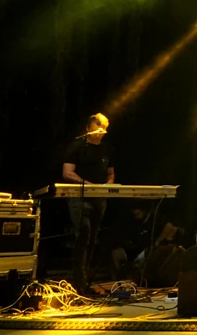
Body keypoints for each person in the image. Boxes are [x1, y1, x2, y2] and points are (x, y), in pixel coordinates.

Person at [62, 113, 114, 293]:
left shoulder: (107, 149)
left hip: (99, 198)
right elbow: (67, 173)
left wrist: (109, 185)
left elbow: (110, 173)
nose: (100, 132)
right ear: (88, 129)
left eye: (103, 129)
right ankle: (78, 283)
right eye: (97, 128)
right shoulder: (77, 147)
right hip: (80, 197)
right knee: (83, 235)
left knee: (92, 239)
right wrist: (88, 185)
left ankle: (85, 283)